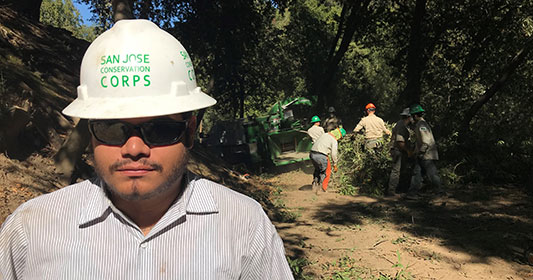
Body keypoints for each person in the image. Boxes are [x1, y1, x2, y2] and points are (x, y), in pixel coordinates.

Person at [0, 19, 293, 279]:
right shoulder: (31, 231)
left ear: (189, 132)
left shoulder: (243, 225)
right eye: (112, 128)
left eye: (160, 129)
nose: (135, 148)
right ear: (91, 134)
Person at [405, 104, 443, 200]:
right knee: (417, 173)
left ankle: (440, 192)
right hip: (422, 154)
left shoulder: (422, 125)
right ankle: (412, 193)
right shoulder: (420, 124)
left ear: (415, 115)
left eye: (412, 116)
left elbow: (426, 141)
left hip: (426, 154)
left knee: (432, 174)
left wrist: (421, 152)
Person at [309, 127, 346, 193]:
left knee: (318, 169)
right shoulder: (334, 140)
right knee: (326, 171)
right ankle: (321, 188)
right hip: (321, 155)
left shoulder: (325, 134)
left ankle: (314, 184)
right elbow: (334, 154)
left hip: (312, 154)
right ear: (339, 136)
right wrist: (335, 164)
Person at [386, 108, 413, 197]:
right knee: (396, 171)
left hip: (397, 150)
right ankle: (392, 191)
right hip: (398, 151)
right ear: (409, 117)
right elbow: (400, 142)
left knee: (401, 170)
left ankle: (399, 189)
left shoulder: (400, 123)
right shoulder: (402, 126)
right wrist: (408, 151)